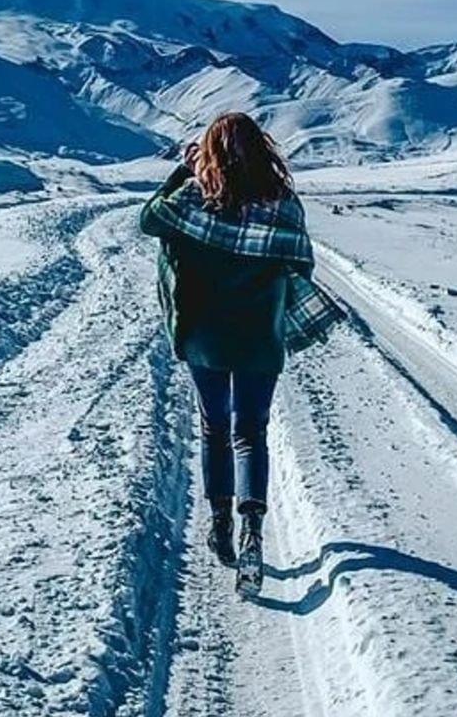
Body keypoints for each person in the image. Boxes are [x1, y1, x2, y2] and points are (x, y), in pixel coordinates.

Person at [139, 112, 345, 596]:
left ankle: (221, 525)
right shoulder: (283, 203)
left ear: (208, 152)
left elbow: (149, 219)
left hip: (203, 337)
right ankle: (253, 531)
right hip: (258, 338)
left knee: (215, 428)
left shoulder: (194, 197)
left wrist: (184, 170)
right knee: (250, 432)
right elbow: (301, 265)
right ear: (260, 149)